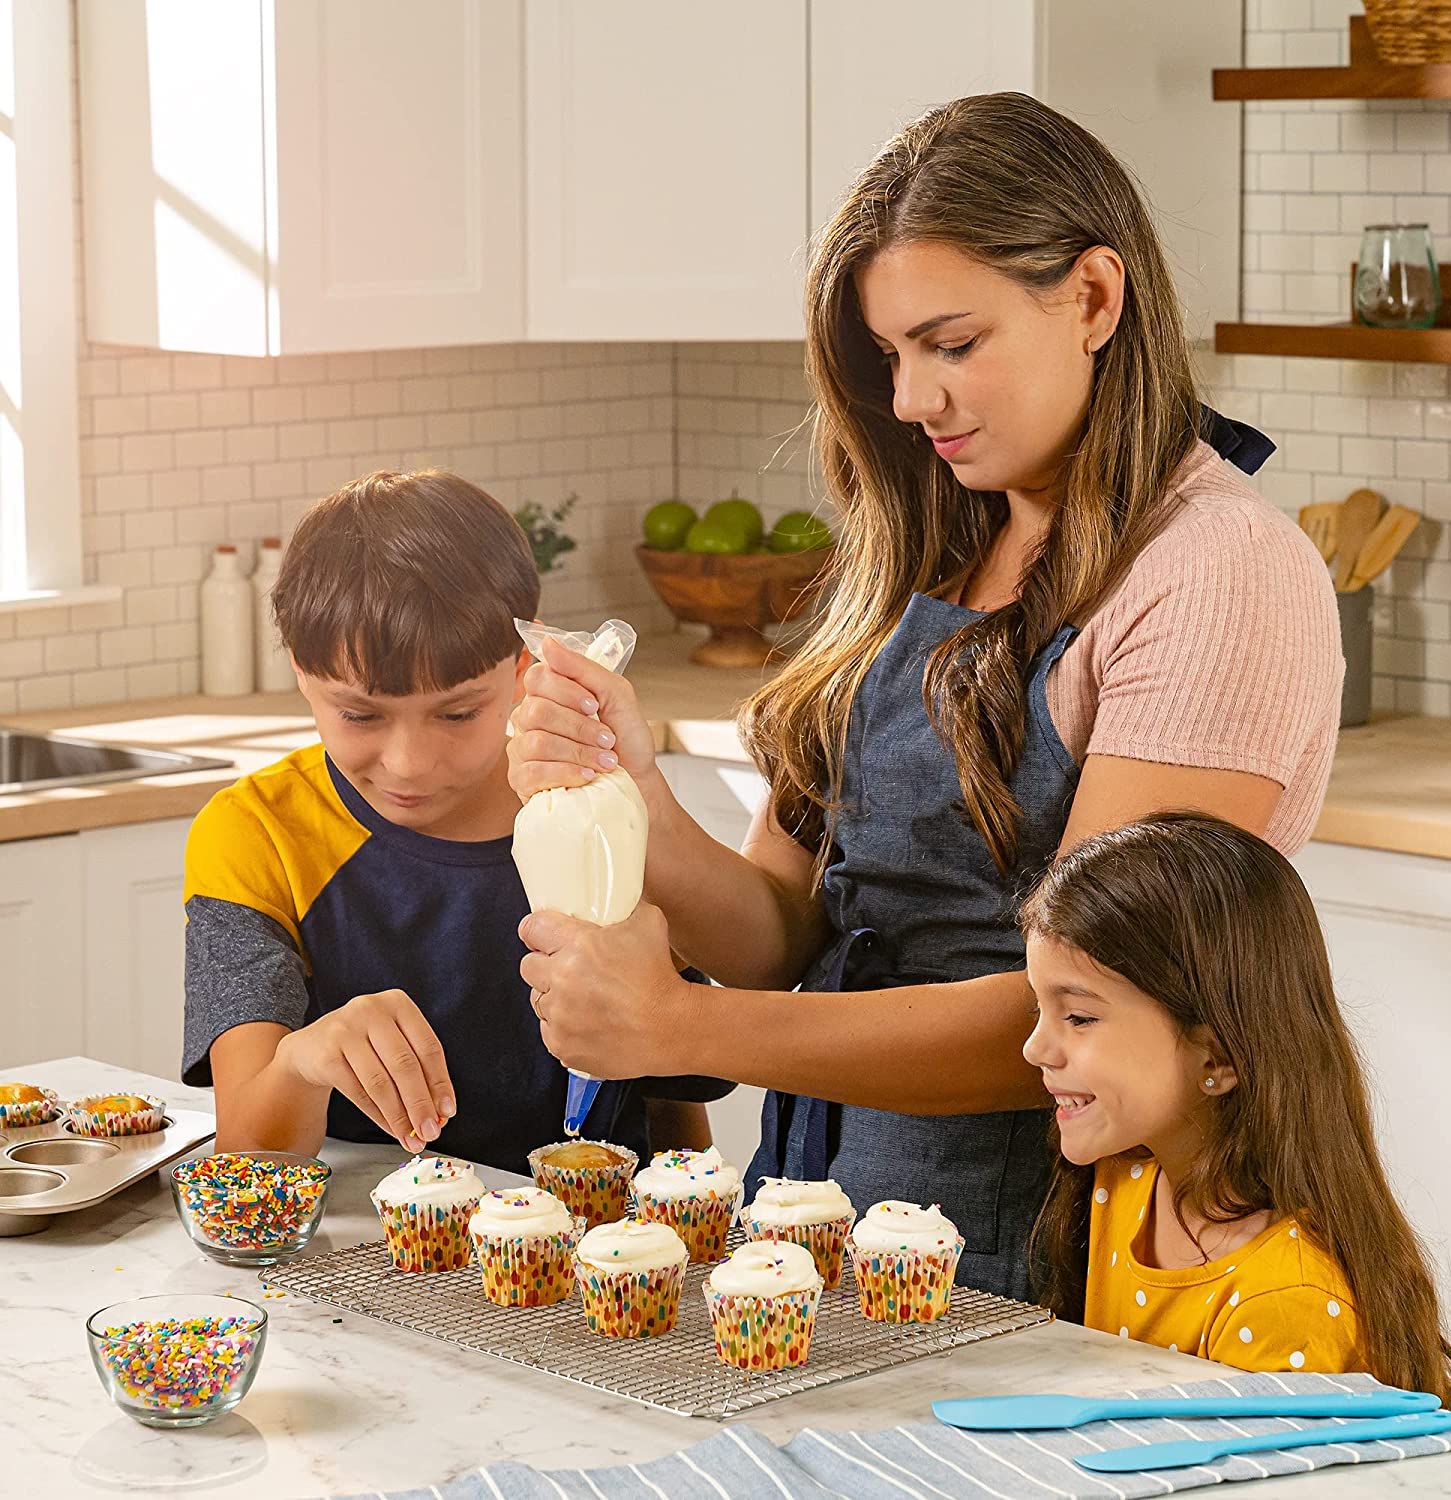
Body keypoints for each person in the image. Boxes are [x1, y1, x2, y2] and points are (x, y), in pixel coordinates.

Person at [509, 92, 1342, 1298]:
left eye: (952, 344)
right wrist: (628, 792)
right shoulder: (930, 546)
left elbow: (1104, 1022)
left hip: (1053, 1256)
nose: (909, 401)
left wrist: (678, 1031)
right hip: (817, 1220)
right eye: (892, 355)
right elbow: (783, 932)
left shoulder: (1218, 572)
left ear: (1096, 299)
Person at [182, 468, 724, 1172]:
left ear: (527, 664)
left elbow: (673, 1099)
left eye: (458, 712)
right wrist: (301, 1062)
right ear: (298, 670)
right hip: (364, 1244)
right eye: (359, 714)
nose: (408, 763)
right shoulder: (255, 833)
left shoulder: (602, 816)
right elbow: (249, 1162)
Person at [1020, 812, 1451, 1413]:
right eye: (1039, 1010)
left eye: (1078, 1018)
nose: (1035, 1049)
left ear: (1218, 1054)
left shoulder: (1284, 1299)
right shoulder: (1125, 1182)